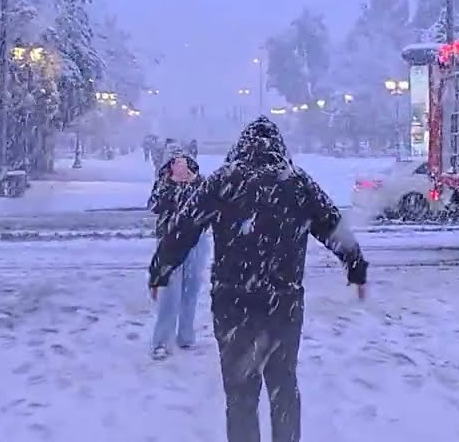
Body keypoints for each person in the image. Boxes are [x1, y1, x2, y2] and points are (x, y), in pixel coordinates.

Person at [149, 117, 367, 442]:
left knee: (240, 394)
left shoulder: (224, 180)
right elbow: (333, 226)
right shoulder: (296, 182)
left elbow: (184, 228)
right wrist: (356, 268)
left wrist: (160, 269)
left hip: (232, 301)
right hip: (284, 301)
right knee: (283, 387)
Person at [147, 150, 210, 360]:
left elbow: (209, 210)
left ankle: (185, 335)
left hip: (196, 241)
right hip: (169, 243)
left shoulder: (201, 183)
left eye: (184, 164)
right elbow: (154, 206)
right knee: (170, 293)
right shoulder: (164, 183)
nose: (181, 168)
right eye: (176, 163)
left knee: (191, 290)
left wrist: (192, 185)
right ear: (170, 166)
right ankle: (162, 341)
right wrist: (172, 184)